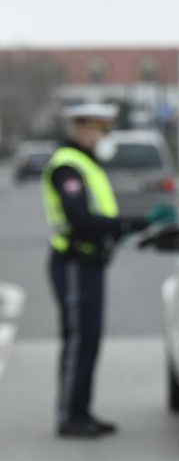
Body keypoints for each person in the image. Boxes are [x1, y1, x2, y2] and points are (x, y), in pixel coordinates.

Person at [40, 104, 160, 437]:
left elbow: (98, 216)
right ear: (83, 129)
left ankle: (81, 411)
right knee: (79, 340)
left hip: (90, 262)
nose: (104, 137)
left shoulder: (86, 163)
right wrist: (123, 225)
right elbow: (80, 219)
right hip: (74, 262)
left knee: (89, 339)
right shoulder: (67, 166)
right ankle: (70, 416)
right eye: (100, 130)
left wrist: (134, 227)